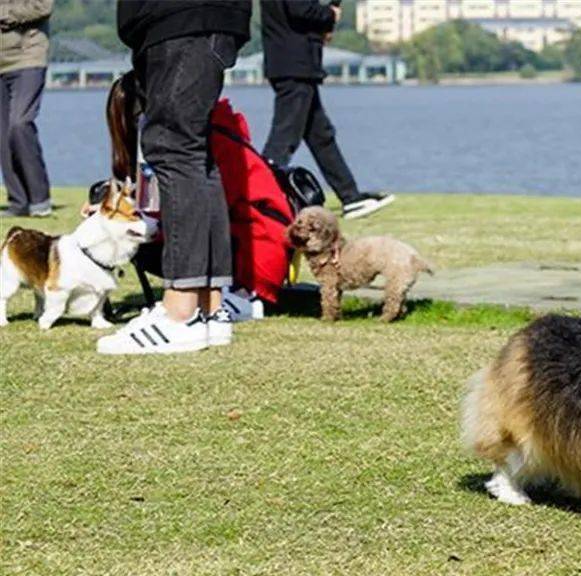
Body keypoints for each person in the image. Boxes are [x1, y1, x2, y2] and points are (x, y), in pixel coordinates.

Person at [98, 0, 252, 355]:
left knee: (173, 148)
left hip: (181, 18)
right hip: (197, 18)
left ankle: (180, 313)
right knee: (195, 156)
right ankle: (208, 307)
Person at [260, 0, 393, 220]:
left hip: (292, 63)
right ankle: (261, 198)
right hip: (295, 65)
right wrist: (329, 14)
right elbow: (301, 10)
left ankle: (350, 197)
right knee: (284, 139)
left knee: (321, 136)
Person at [0, 0, 52, 218]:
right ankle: (18, 201)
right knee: (2, 135)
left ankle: (40, 199)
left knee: (19, 124)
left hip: (27, 58)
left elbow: (43, 6)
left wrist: (4, 12)